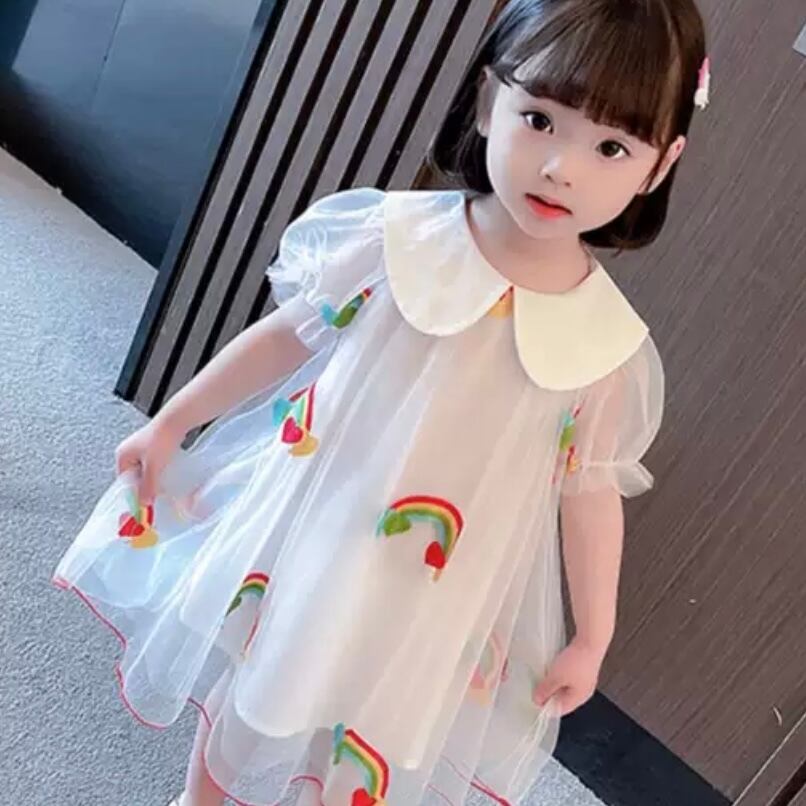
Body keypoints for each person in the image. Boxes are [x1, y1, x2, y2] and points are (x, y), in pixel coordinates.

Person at [52, 0, 709, 803]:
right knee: (268, 670)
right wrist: (173, 421)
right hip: (323, 517)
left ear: (660, 165)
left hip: (440, 581)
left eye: (611, 147)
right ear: (487, 102)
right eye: (539, 119)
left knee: (379, 720)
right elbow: (287, 335)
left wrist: (594, 632)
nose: (561, 168)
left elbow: (590, 490)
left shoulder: (605, 345)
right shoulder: (395, 238)